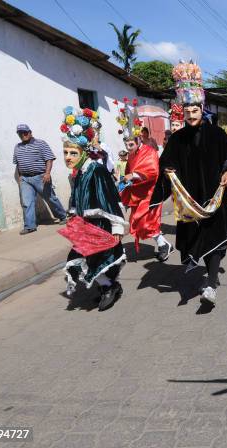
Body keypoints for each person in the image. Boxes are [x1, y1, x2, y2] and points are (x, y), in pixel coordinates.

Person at [152, 60, 227, 306]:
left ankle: (211, 284)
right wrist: (168, 171)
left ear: (201, 109)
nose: (191, 115)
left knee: (213, 238)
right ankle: (205, 271)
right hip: (190, 201)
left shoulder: (216, 134)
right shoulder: (178, 138)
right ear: (183, 112)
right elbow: (166, 162)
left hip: (214, 196)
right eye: (187, 111)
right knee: (197, 237)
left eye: (195, 110)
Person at [60, 107, 126, 312]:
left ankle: (110, 287)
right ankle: (108, 286)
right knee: (82, 259)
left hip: (100, 225)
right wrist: (72, 214)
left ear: (83, 152)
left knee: (95, 258)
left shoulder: (96, 170)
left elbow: (110, 199)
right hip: (84, 225)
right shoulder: (79, 172)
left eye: (73, 153)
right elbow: (77, 197)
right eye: (65, 153)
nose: (68, 157)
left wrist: (117, 228)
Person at [120, 137, 173, 261]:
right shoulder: (132, 155)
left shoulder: (149, 151)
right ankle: (164, 244)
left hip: (150, 194)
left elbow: (153, 171)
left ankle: (164, 245)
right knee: (137, 222)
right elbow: (129, 173)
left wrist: (133, 175)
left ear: (138, 142)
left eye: (131, 144)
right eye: (126, 145)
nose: (128, 148)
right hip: (138, 194)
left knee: (146, 222)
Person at [13, 123, 67, 235]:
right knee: (27, 202)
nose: (23, 135)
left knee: (50, 198)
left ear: (30, 132)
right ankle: (30, 226)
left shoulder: (40, 144)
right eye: (20, 133)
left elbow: (49, 159)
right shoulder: (17, 147)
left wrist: (47, 173)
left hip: (40, 176)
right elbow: (17, 164)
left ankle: (62, 216)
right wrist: (20, 178)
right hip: (25, 179)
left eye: (25, 132)